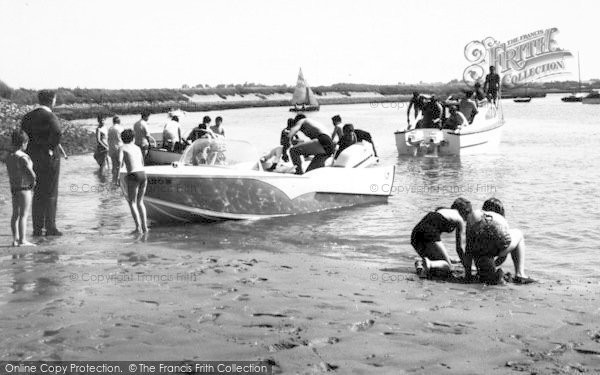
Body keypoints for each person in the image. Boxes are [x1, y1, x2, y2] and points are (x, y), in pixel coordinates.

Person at [462, 198, 534, 285]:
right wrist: (495, 264)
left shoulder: (476, 213)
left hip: (479, 241)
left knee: (478, 248)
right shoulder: (500, 219)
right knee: (518, 233)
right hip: (498, 239)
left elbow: (468, 248)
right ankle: (520, 274)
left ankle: (483, 271)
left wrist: (468, 274)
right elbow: (503, 255)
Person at [20, 89, 63, 237]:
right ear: (51, 100)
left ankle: (37, 228)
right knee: (51, 192)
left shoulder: (28, 117)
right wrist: (50, 147)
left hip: (32, 156)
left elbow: (24, 134)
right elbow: (57, 132)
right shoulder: (50, 116)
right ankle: (50, 227)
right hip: (49, 158)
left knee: (37, 192)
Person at [411, 198, 469, 277]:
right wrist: (467, 266)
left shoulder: (443, 210)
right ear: (464, 211)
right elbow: (459, 248)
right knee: (448, 268)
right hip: (429, 232)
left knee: (439, 263)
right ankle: (429, 263)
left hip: (415, 234)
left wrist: (449, 258)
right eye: (468, 213)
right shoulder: (460, 219)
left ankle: (421, 264)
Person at [6, 130, 36, 246]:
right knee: (24, 215)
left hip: (14, 188)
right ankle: (22, 240)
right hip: (24, 188)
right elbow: (31, 173)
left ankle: (15, 239)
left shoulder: (10, 157)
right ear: (23, 143)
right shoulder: (23, 157)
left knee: (15, 214)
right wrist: (33, 183)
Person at [119, 129, 148, 234]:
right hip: (143, 174)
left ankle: (138, 228)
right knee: (141, 202)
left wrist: (117, 177)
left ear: (122, 139)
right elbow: (142, 162)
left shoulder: (122, 148)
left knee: (132, 202)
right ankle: (145, 228)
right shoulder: (137, 148)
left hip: (133, 175)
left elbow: (119, 162)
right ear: (133, 138)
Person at [107, 116, 124, 184]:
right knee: (121, 164)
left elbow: (108, 139)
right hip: (119, 147)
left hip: (112, 147)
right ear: (119, 121)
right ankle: (119, 180)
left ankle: (113, 180)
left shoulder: (110, 128)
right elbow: (123, 138)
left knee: (114, 165)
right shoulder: (121, 128)